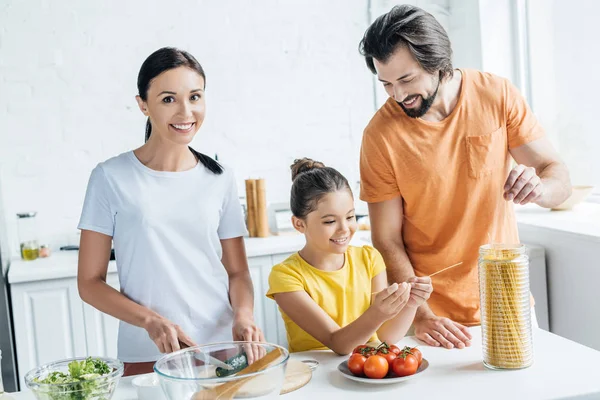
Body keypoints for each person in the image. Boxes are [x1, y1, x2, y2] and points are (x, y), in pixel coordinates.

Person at [358, 5, 571, 349]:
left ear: (439, 63)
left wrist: (539, 189)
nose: (397, 95)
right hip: (431, 320)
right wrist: (422, 313)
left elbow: (557, 175)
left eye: (407, 79)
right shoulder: (380, 136)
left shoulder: (496, 94)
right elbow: (386, 239)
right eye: (386, 84)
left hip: (508, 301)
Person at [77, 47, 263, 376]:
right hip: (148, 352)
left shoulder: (219, 177)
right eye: (168, 99)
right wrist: (150, 321)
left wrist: (244, 316)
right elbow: (89, 283)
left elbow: (237, 273)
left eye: (195, 97)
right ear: (142, 105)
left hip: (219, 350)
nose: (185, 111)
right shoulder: (109, 177)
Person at [266, 158, 433, 354]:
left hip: (366, 368)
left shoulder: (369, 258)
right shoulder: (286, 277)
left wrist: (411, 304)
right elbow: (338, 343)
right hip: (317, 375)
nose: (344, 229)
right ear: (299, 224)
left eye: (350, 217)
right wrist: (377, 313)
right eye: (329, 221)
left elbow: (384, 337)